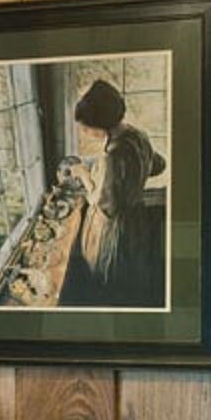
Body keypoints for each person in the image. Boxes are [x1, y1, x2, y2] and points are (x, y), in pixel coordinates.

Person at [59, 78, 167, 308]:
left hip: (115, 228)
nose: (86, 131)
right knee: (132, 269)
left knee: (110, 275)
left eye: (87, 127)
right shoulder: (138, 136)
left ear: (101, 123)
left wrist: (84, 174)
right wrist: (128, 179)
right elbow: (158, 165)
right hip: (137, 217)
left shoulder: (112, 155)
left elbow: (105, 206)